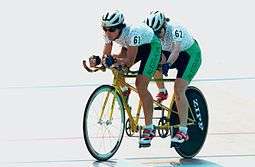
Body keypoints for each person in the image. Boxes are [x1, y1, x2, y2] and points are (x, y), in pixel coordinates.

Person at [88, 10, 162, 147]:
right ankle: (124, 89)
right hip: (131, 46)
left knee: (140, 84)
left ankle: (150, 128)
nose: (107, 32)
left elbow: (129, 61)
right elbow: (106, 58)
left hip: (151, 48)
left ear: (120, 27)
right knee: (117, 69)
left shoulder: (132, 33)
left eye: (111, 29)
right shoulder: (108, 35)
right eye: (104, 29)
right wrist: (98, 61)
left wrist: (115, 61)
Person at [146, 11, 202, 144]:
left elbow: (176, 51)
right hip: (170, 52)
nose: (157, 36)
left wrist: (168, 64)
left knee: (178, 89)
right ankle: (162, 91)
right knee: (154, 61)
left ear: (164, 25)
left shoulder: (176, 29)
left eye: (158, 32)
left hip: (189, 56)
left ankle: (183, 130)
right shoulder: (152, 31)